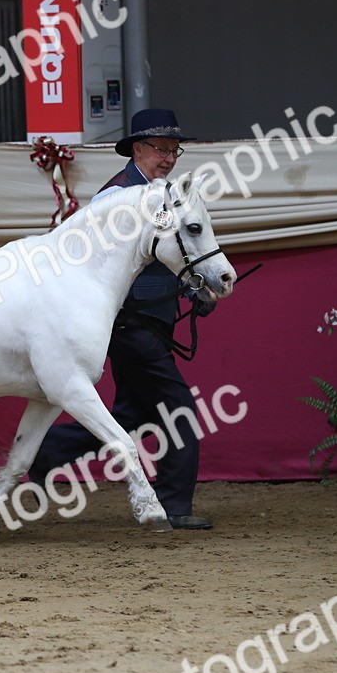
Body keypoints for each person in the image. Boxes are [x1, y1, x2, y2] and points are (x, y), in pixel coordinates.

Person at [28, 108, 217, 529]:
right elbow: (103, 268)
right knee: (180, 408)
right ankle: (173, 505)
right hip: (131, 324)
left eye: (174, 150)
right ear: (137, 148)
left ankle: (45, 453)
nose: (168, 158)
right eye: (160, 149)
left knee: (130, 414)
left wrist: (191, 290)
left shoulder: (165, 195)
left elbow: (172, 255)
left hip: (151, 321)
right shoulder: (114, 197)